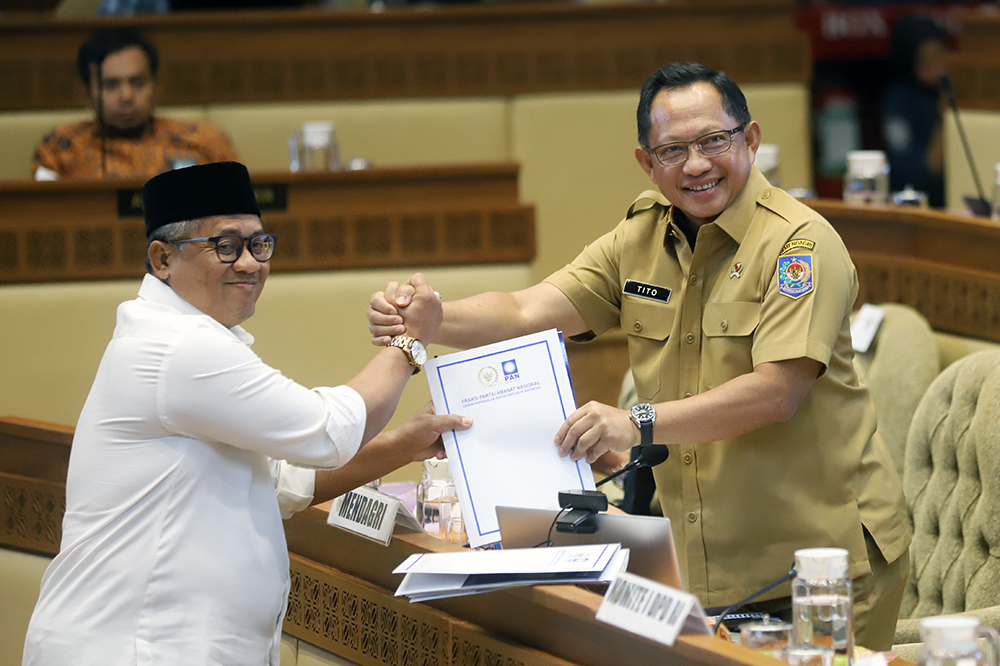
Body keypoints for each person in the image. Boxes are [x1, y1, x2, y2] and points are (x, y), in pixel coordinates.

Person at [369, 63, 912, 650]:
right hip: (698, 566)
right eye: (673, 150)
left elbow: (777, 391)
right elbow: (529, 310)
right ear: (647, 164)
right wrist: (436, 319)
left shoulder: (800, 246)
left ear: (750, 140)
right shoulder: (642, 236)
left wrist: (635, 422)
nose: (697, 164)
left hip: (819, 567)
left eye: (714, 141)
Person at [22, 161, 466, 665]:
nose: (250, 264)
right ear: (162, 258)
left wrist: (402, 445)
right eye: (226, 246)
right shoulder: (177, 347)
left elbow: (283, 482)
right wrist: (411, 341)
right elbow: (328, 431)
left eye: (258, 245)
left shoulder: (193, 340)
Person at [31, 28, 238, 181]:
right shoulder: (59, 148)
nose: (126, 96)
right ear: (85, 95)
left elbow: (241, 212)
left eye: (137, 83)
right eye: (111, 85)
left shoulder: (205, 142)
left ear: (157, 87)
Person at [882, 14, 949, 208]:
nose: (937, 67)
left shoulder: (957, 91)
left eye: (939, 55)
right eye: (925, 61)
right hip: (917, 205)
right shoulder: (899, 100)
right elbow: (925, 172)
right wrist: (945, 116)